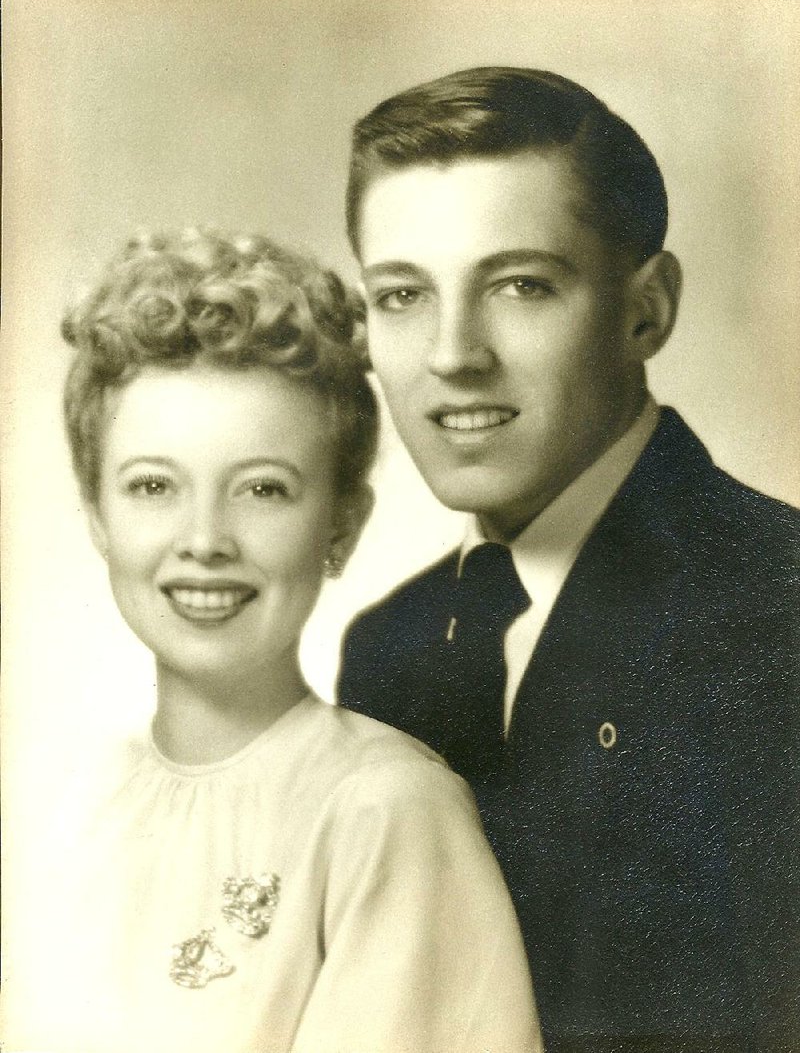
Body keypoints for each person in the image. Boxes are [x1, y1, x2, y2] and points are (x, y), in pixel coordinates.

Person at [337, 67, 800, 1052]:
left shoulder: (777, 602)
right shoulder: (389, 647)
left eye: (518, 284)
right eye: (402, 295)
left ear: (645, 309)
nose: (452, 352)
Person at [2, 230, 542, 1053]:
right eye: (153, 486)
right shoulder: (65, 805)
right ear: (98, 520)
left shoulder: (385, 811)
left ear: (341, 525)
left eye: (262, 489)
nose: (205, 539)